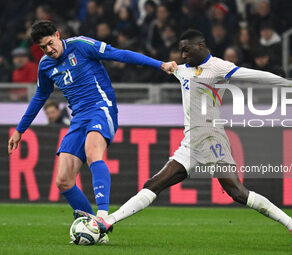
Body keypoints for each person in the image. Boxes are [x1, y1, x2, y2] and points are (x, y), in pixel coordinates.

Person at [75, 29, 292, 247]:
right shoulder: (183, 69)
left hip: (212, 138)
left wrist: (290, 83)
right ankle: (108, 222)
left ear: (201, 45)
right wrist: (161, 65)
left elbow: (256, 76)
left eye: (187, 49)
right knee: (154, 184)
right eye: (180, 51)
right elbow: (161, 65)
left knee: (237, 192)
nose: (183, 55)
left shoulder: (219, 67)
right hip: (190, 143)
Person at [7, 20, 177, 242]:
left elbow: (120, 54)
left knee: (92, 152)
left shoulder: (81, 45)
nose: (49, 50)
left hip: (100, 107)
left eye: (50, 43)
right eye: (43, 48)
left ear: (58, 35)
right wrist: (20, 130)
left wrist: (160, 64)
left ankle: (102, 219)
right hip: (78, 118)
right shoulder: (45, 66)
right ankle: (96, 232)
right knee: (63, 180)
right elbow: (40, 97)